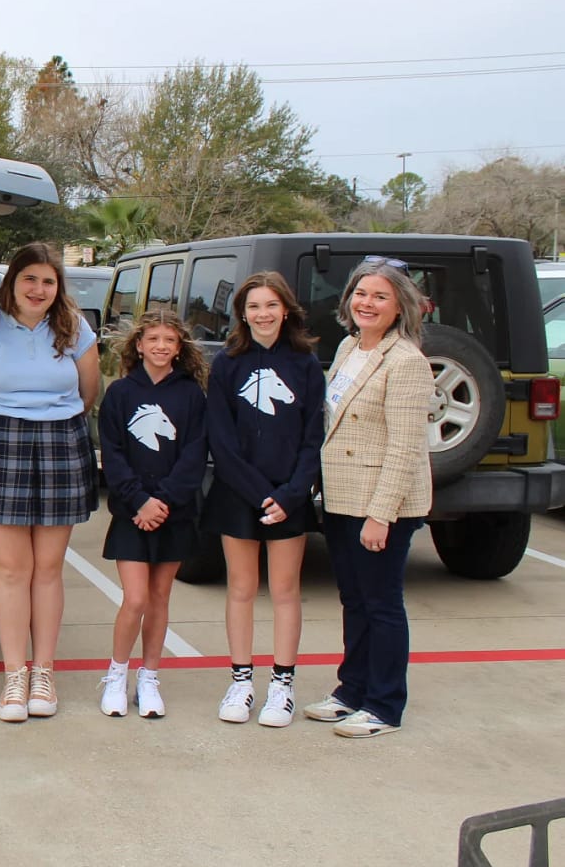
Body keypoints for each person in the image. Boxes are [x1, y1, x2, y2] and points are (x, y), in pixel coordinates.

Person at [0, 241, 100, 723]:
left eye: (48, 281)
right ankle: (15, 676)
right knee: (12, 569)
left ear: (59, 287)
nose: (38, 289)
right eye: (29, 279)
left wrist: (48, 420)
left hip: (60, 446)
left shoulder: (75, 329)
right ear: (12, 282)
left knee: (48, 569)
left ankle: (44, 673)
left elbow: (88, 394)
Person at [303, 256, 433, 738]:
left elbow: (405, 447)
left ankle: (384, 705)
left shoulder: (406, 362)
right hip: (342, 496)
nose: (367, 303)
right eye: (361, 294)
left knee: (381, 603)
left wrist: (381, 516)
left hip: (382, 502)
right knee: (354, 600)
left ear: (400, 306)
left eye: (380, 296)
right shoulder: (349, 347)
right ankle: (351, 690)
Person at [199, 271, 326, 727]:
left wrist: (291, 495)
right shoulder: (228, 364)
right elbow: (222, 441)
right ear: (242, 314)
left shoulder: (306, 364)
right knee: (241, 588)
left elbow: (314, 437)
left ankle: (282, 686)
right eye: (254, 307)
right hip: (238, 495)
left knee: (286, 590)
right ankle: (240, 682)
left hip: (288, 497)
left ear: (285, 309)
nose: (263, 314)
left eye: (271, 305)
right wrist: (258, 495)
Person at [95, 310, 208, 719]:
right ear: (138, 345)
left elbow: (195, 455)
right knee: (136, 598)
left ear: (180, 349)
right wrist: (140, 501)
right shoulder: (121, 393)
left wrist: (164, 502)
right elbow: (114, 453)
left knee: (160, 598)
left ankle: (149, 677)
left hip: (172, 513)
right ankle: (117, 674)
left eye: (170, 340)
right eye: (153, 339)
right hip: (132, 513)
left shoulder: (192, 395)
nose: (161, 346)